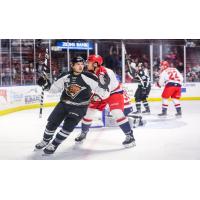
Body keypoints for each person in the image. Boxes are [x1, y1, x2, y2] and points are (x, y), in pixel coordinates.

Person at [35, 56, 109, 154]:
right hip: (63, 104)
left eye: (82, 64)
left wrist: (104, 86)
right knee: (51, 124)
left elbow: (104, 94)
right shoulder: (65, 75)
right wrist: (45, 85)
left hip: (79, 107)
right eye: (78, 64)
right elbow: (54, 89)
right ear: (72, 65)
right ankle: (45, 140)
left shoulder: (89, 77)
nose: (80, 66)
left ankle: (54, 144)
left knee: (67, 128)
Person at [75, 55, 136, 147]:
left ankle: (129, 136)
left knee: (117, 112)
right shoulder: (90, 72)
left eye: (89, 62)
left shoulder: (106, 73)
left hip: (114, 93)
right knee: (88, 113)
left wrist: (95, 96)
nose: (87, 64)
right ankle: (83, 133)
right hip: (101, 93)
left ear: (95, 64)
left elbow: (106, 94)